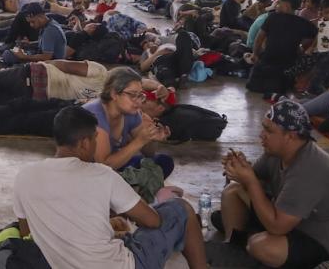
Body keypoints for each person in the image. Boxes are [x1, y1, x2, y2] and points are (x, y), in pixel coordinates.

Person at [13, 106, 207, 269]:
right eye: (95, 139)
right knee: (181, 209)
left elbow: (26, 232)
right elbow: (153, 222)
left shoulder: (25, 176)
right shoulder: (101, 174)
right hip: (119, 265)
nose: (97, 144)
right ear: (84, 143)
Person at [211, 100, 329, 268]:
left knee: (260, 246)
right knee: (233, 190)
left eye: (268, 130)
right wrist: (237, 169)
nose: (261, 135)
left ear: (290, 136)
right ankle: (232, 247)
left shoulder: (309, 169)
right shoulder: (276, 153)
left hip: (320, 240)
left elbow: (277, 228)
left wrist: (249, 180)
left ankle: (251, 244)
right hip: (289, 221)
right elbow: (246, 183)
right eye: (264, 127)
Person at [83, 67, 173, 177]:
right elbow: (104, 165)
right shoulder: (95, 116)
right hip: (88, 170)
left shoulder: (131, 112)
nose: (138, 101)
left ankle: (128, 186)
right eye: (132, 95)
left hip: (112, 167)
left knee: (163, 162)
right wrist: (139, 141)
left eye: (140, 95)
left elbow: (149, 153)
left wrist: (152, 137)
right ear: (114, 94)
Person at [248, 0, 317, 98]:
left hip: (267, 61)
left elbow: (259, 38)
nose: (276, 6)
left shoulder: (273, 17)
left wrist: (255, 54)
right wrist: (302, 46)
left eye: (279, 3)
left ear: (286, 5)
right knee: (279, 86)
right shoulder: (302, 23)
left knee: (254, 86)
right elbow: (315, 35)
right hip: (288, 65)